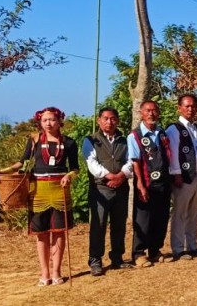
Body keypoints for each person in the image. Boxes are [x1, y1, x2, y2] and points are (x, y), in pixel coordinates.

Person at [0, 107, 78, 286]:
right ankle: (44, 273)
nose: (49, 123)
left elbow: (75, 168)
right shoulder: (34, 141)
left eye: (52, 119)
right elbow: (21, 163)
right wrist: (2, 171)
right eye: (45, 120)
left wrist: (68, 176)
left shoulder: (69, 143)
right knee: (41, 234)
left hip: (60, 190)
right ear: (40, 121)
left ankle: (56, 272)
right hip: (38, 190)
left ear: (59, 121)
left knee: (59, 232)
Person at [82, 107, 133, 275]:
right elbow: (92, 163)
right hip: (100, 189)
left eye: (112, 119)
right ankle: (95, 260)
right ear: (99, 120)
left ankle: (117, 258)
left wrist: (121, 176)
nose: (109, 122)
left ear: (117, 120)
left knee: (119, 224)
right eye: (105, 118)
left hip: (121, 188)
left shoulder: (124, 140)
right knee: (99, 225)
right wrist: (110, 176)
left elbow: (131, 161)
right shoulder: (90, 140)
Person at [127, 101, 171, 266]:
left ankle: (154, 250)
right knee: (143, 219)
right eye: (148, 111)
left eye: (154, 110)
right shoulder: (135, 136)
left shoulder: (162, 132)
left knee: (161, 218)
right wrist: (140, 185)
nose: (151, 113)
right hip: (146, 182)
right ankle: (138, 253)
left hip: (163, 182)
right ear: (141, 113)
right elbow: (136, 161)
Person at [167, 94, 197, 261]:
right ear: (179, 108)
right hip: (183, 178)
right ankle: (178, 248)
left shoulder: (196, 128)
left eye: (193, 106)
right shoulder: (174, 129)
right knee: (180, 213)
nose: (191, 109)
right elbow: (173, 153)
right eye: (187, 106)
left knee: (194, 213)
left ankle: (192, 245)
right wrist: (176, 174)